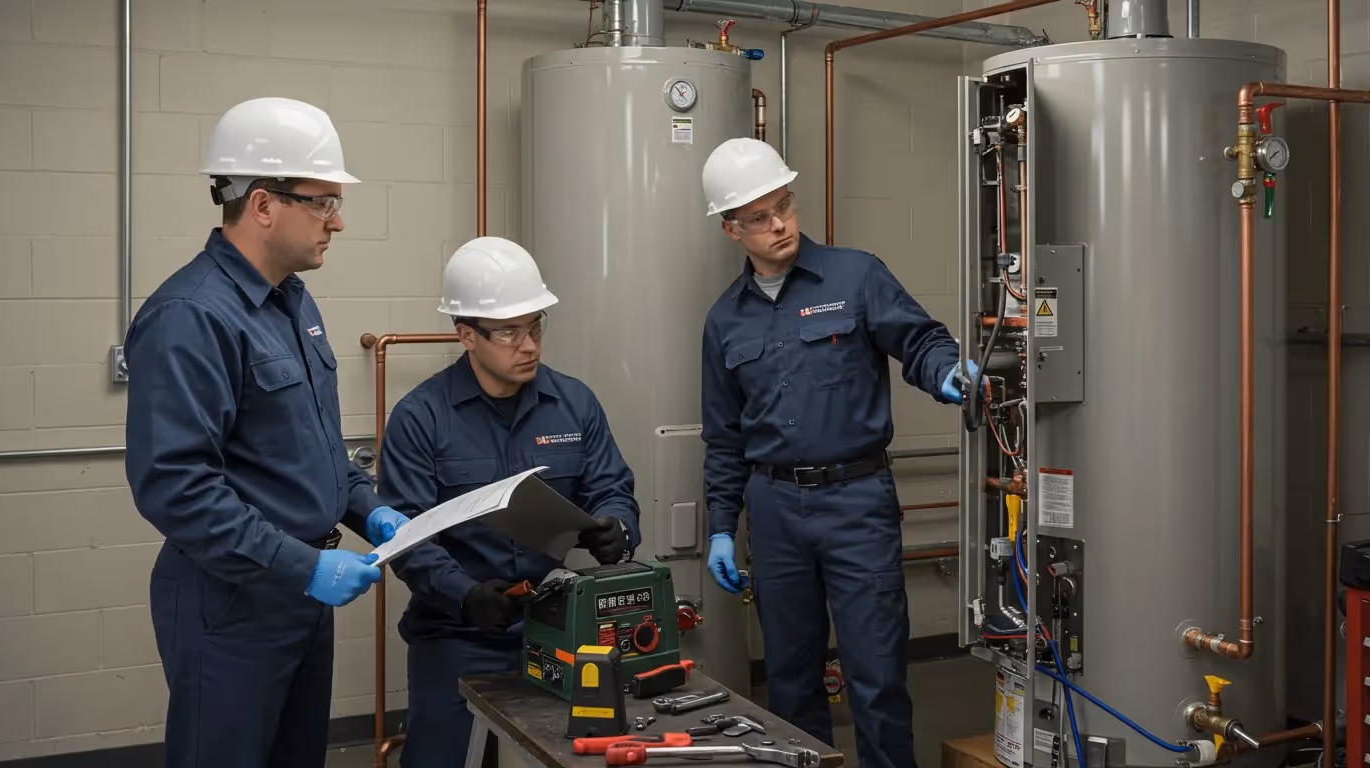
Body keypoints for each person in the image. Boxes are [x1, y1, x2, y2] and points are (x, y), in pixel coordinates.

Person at [124, 96, 412, 768]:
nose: (337, 221)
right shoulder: (190, 317)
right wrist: (305, 567)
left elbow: (312, 447)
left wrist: (371, 511)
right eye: (322, 202)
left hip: (298, 593)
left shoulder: (291, 300)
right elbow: (177, 489)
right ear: (262, 205)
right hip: (233, 598)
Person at [697, 137, 980, 768]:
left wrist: (944, 374)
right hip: (773, 511)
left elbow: (920, 339)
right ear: (731, 229)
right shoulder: (724, 321)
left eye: (784, 207)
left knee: (876, 675)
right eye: (760, 218)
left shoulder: (855, 275)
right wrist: (721, 527)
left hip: (856, 501)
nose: (780, 225)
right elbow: (724, 437)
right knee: (791, 681)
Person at [376, 236, 642, 768]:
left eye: (536, 325)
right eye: (509, 332)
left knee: (567, 757)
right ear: (466, 335)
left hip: (555, 624)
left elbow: (611, 485)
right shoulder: (421, 417)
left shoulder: (573, 403)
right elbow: (406, 533)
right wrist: (465, 593)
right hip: (457, 632)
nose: (530, 345)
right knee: (443, 759)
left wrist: (619, 524)